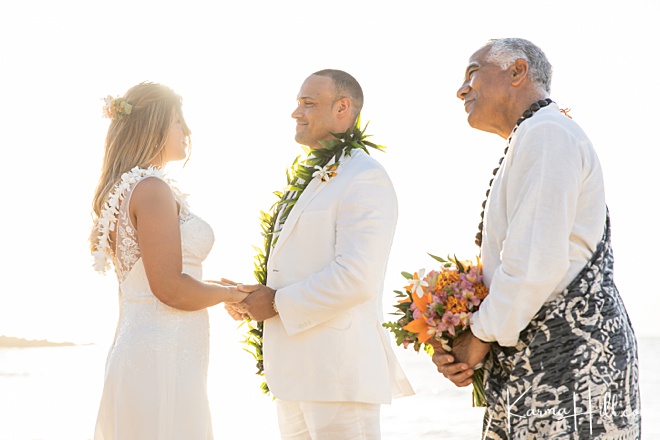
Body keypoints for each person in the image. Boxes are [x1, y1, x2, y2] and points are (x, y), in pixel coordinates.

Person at [432, 38, 641, 438]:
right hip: (552, 360)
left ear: (517, 71)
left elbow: (534, 262)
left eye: (473, 72)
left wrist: (478, 333)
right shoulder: (536, 135)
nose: (462, 89)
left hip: (571, 364)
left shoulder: (546, 133)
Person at [225, 69, 414, 439]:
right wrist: (255, 298)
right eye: (297, 103)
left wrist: (277, 303)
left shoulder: (365, 177)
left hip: (337, 376)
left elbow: (356, 278)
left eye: (308, 103)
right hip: (294, 376)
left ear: (343, 108)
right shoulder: (316, 175)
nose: (296, 112)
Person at [90, 82, 246, 439]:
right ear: (155, 127)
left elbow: (154, 280)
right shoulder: (151, 190)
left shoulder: (132, 188)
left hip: (151, 349)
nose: (186, 131)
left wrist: (217, 288)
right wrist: (231, 295)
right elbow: (170, 288)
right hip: (161, 355)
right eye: (178, 122)